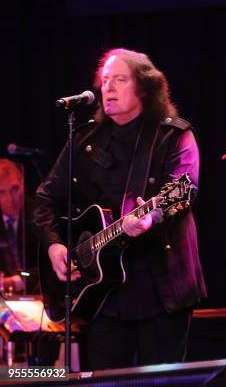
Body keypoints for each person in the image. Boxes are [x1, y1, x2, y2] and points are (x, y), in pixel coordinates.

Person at [33, 48, 205, 370]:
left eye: (119, 80)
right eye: (104, 80)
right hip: (103, 296)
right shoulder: (85, 138)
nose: (107, 87)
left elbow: (184, 189)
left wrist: (151, 216)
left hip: (161, 290)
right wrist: (54, 243)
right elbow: (45, 199)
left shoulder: (174, 135)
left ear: (144, 87)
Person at [0, 159, 34, 293]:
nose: (10, 198)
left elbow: (47, 268)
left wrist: (14, 282)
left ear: (22, 184)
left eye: (14, 189)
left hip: (36, 292)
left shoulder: (39, 215)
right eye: (1, 192)